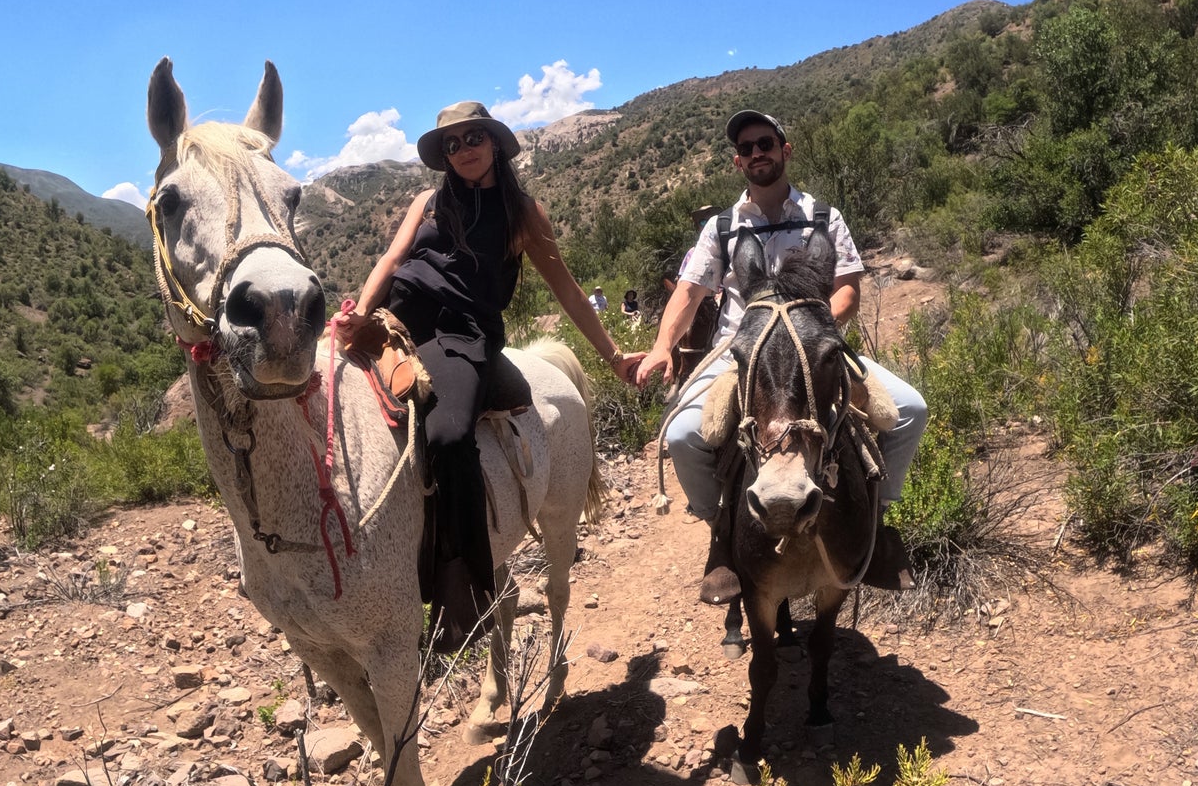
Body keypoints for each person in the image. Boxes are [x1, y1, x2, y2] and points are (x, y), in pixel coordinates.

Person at [335, 101, 643, 649]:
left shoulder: (523, 213)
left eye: (472, 137)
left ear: (494, 142)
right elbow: (391, 257)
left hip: (462, 334)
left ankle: (464, 590)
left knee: (450, 434)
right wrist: (361, 310)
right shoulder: (428, 201)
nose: (463, 150)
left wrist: (613, 354)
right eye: (451, 145)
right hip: (399, 319)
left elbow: (567, 291)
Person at [635, 109, 928, 602]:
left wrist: (810, 333)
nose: (757, 153)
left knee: (909, 410)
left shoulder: (823, 217)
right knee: (685, 437)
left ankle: (879, 520)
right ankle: (720, 535)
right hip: (741, 353)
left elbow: (848, 292)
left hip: (814, 350)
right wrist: (663, 345)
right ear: (737, 162)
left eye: (765, 143)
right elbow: (688, 293)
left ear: (785, 150)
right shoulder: (721, 228)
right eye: (746, 148)